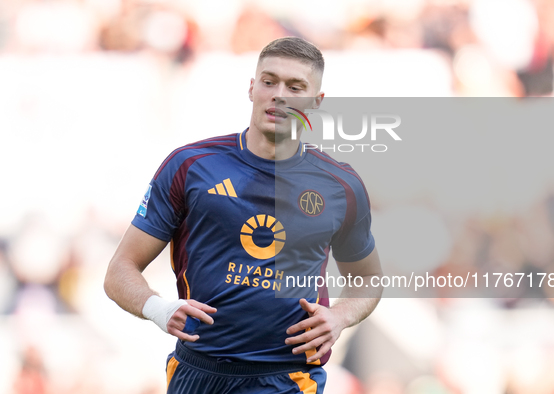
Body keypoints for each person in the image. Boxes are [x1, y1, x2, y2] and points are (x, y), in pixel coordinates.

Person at [104, 36, 383, 394]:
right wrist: (158, 308)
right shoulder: (190, 166)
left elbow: (368, 279)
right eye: (269, 81)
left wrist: (340, 317)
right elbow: (119, 270)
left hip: (288, 377)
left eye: (295, 87)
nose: (279, 94)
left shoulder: (340, 184)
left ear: (316, 102)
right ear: (252, 88)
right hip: (198, 371)